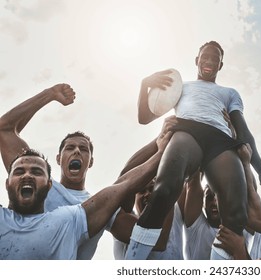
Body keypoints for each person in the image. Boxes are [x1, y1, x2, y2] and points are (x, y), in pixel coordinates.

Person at [126, 40, 261, 260]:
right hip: (187, 131)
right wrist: (144, 84)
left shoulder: (229, 93)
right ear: (197, 60)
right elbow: (144, 118)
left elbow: (243, 134)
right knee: (165, 189)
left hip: (221, 140)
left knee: (237, 211)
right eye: (205, 56)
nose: (209, 61)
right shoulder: (181, 87)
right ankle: (132, 261)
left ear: (220, 66)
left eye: (215, 59)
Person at [0, 83, 174, 259]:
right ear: (59, 158)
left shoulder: (97, 208)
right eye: (70, 148)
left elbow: (155, 241)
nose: (76, 151)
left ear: (90, 162)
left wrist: (169, 171)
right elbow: (4, 128)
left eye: (83, 149)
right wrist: (49, 94)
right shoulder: (35, 177)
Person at [114, 176, 185, 260]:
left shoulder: (174, 214)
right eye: (142, 191)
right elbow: (122, 185)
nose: (147, 194)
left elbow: (182, 177)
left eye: (152, 189)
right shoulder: (126, 221)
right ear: (134, 198)